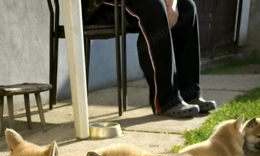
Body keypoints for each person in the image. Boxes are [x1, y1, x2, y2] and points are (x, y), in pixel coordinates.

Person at [82, 0, 216, 118]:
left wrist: (171, 5)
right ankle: (166, 101)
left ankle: (189, 94)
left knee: (187, 6)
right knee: (153, 6)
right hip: (96, 8)